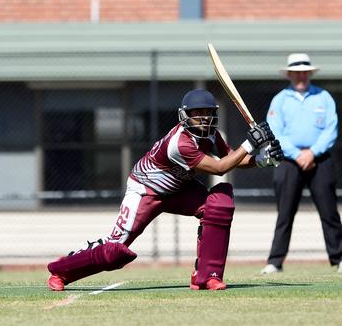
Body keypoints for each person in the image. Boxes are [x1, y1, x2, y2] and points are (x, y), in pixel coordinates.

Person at [47, 89, 283, 291]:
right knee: (113, 251)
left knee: (219, 203)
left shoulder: (212, 135)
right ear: (185, 116)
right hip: (146, 191)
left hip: (180, 188)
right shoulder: (180, 143)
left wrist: (261, 159)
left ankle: (207, 276)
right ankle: (62, 270)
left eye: (207, 113)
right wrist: (251, 143)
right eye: (197, 114)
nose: (203, 118)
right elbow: (220, 168)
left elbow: (231, 158)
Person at [261, 53, 342, 274]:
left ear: (310, 73)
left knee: (329, 212)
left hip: (320, 160)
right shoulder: (280, 99)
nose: (301, 76)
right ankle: (275, 262)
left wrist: (312, 153)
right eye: (297, 72)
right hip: (288, 161)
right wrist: (297, 154)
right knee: (285, 213)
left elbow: (331, 130)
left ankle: (339, 259)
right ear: (289, 74)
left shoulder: (324, 97)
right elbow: (275, 131)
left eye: (305, 72)